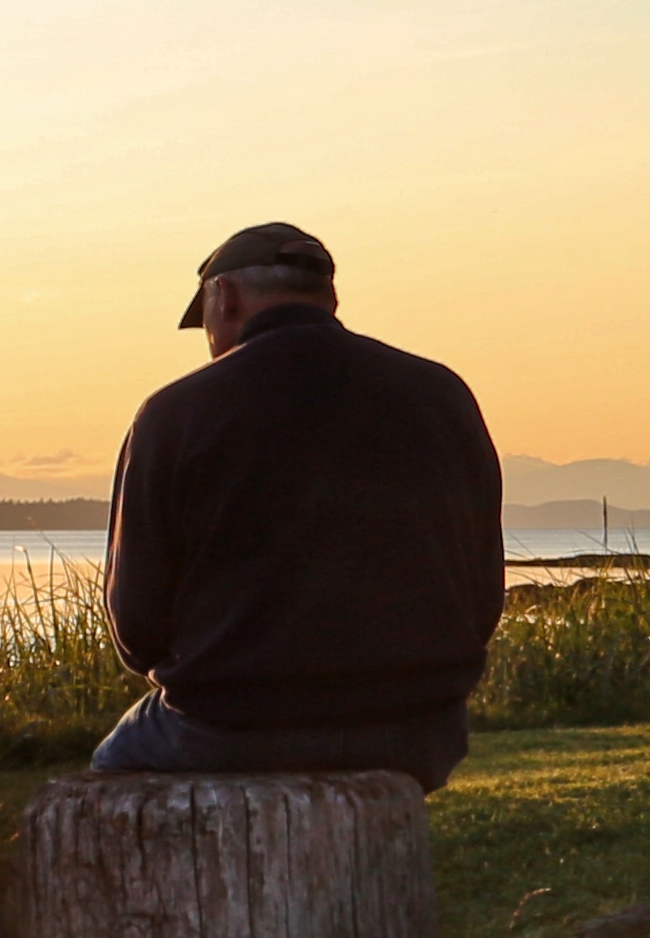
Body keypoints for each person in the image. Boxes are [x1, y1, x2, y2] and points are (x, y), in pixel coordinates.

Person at [97, 221, 503, 788]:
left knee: (109, 775)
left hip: (228, 725)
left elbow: (138, 625)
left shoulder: (175, 413)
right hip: (418, 729)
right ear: (330, 298)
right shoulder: (441, 394)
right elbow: (482, 591)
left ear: (224, 297)